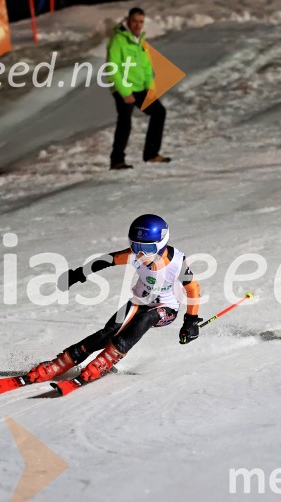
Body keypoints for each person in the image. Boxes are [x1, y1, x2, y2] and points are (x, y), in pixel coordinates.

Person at [22, 214, 201, 394]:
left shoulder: (177, 263)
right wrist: (78, 274)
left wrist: (191, 321)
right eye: (135, 246)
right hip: (140, 301)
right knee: (109, 332)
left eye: (146, 248)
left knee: (146, 318)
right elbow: (107, 260)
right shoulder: (135, 257)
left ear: (162, 243)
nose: (140, 254)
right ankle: (62, 362)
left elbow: (193, 289)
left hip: (166, 309)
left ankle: (104, 362)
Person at [107, 7, 171, 170]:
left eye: (141, 22)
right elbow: (112, 68)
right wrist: (125, 93)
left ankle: (151, 154)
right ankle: (117, 161)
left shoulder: (141, 42)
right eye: (134, 21)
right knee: (125, 121)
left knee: (159, 112)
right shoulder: (118, 40)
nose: (137, 25)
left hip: (140, 87)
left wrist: (151, 89)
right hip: (123, 87)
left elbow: (147, 68)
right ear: (127, 21)